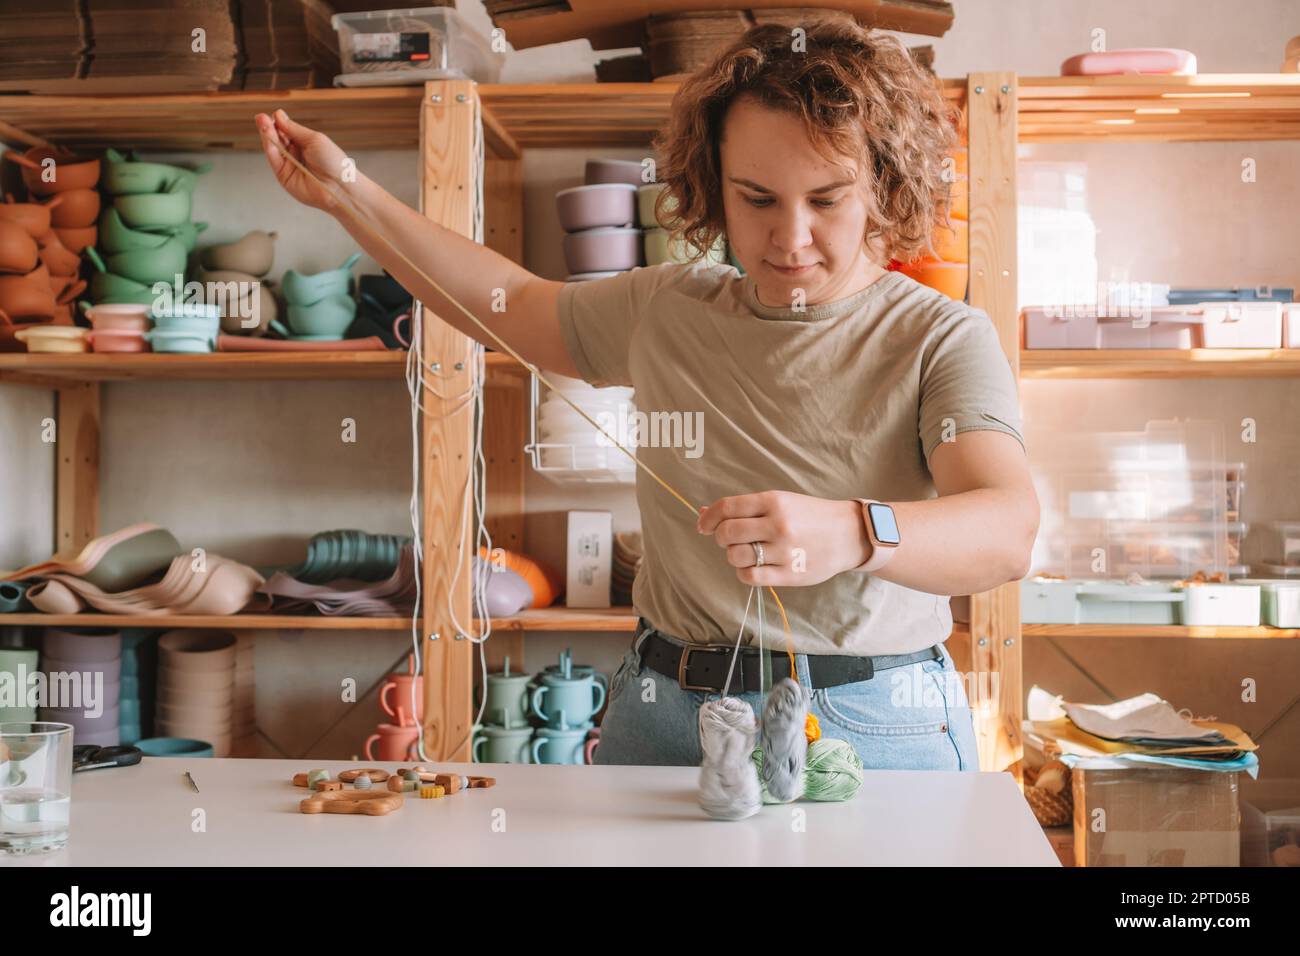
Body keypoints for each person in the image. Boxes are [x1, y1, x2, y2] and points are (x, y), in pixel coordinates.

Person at [256, 18, 1039, 772]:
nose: (790, 237)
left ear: (883, 184)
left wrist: (857, 533)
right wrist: (348, 194)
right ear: (715, 187)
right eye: (757, 199)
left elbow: (1007, 529)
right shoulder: (668, 305)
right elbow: (502, 300)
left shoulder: (942, 336)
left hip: (876, 719)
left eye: (827, 198)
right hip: (666, 708)